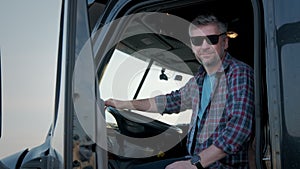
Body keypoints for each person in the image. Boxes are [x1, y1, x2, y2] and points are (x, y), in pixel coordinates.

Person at [105, 14, 254, 169]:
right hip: (197, 160)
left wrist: (194, 164)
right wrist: (121, 104)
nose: (204, 46)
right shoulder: (199, 79)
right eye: (197, 41)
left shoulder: (238, 73)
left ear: (224, 42)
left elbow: (239, 130)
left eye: (211, 39)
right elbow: (168, 102)